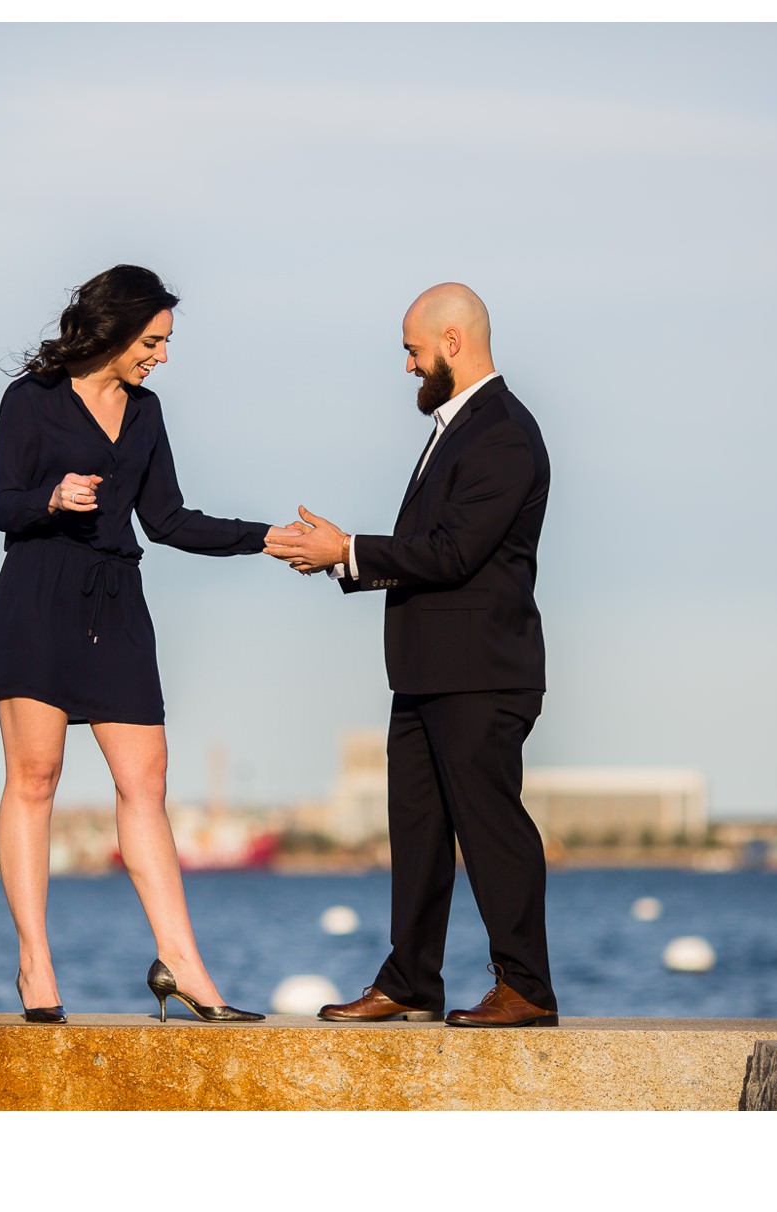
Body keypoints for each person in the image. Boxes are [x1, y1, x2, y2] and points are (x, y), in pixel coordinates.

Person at [0, 264, 290, 1024]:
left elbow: (170, 520)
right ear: (113, 330)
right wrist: (50, 498)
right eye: (153, 340)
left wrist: (266, 538)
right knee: (35, 777)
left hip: (117, 602)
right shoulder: (31, 401)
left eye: (166, 342)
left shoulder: (146, 414)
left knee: (146, 783)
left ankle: (182, 964)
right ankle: (35, 968)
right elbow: (0, 504)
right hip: (40, 594)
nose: (162, 356)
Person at [265, 282, 558, 1027]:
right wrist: (341, 557)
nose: (408, 366)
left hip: (482, 674)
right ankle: (410, 982)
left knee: (491, 827)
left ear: (452, 343)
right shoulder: (457, 429)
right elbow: (433, 550)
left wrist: (349, 550)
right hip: (429, 673)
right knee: (419, 833)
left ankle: (526, 986)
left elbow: (456, 553)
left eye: (413, 350)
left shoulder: (504, 434)